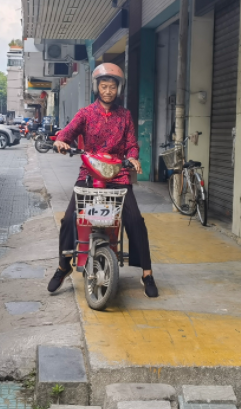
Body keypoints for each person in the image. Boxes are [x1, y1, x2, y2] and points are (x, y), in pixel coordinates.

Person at [49, 63, 159, 298]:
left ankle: (147, 273)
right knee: (69, 219)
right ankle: (63, 266)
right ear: (97, 87)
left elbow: (131, 144)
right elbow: (67, 133)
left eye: (112, 87)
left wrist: (133, 157)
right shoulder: (85, 114)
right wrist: (61, 141)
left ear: (119, 89)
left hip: (118, 174)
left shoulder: (125, 116)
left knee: (135, 220)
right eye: (104, 86)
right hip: (89, 174)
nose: (108, 91)